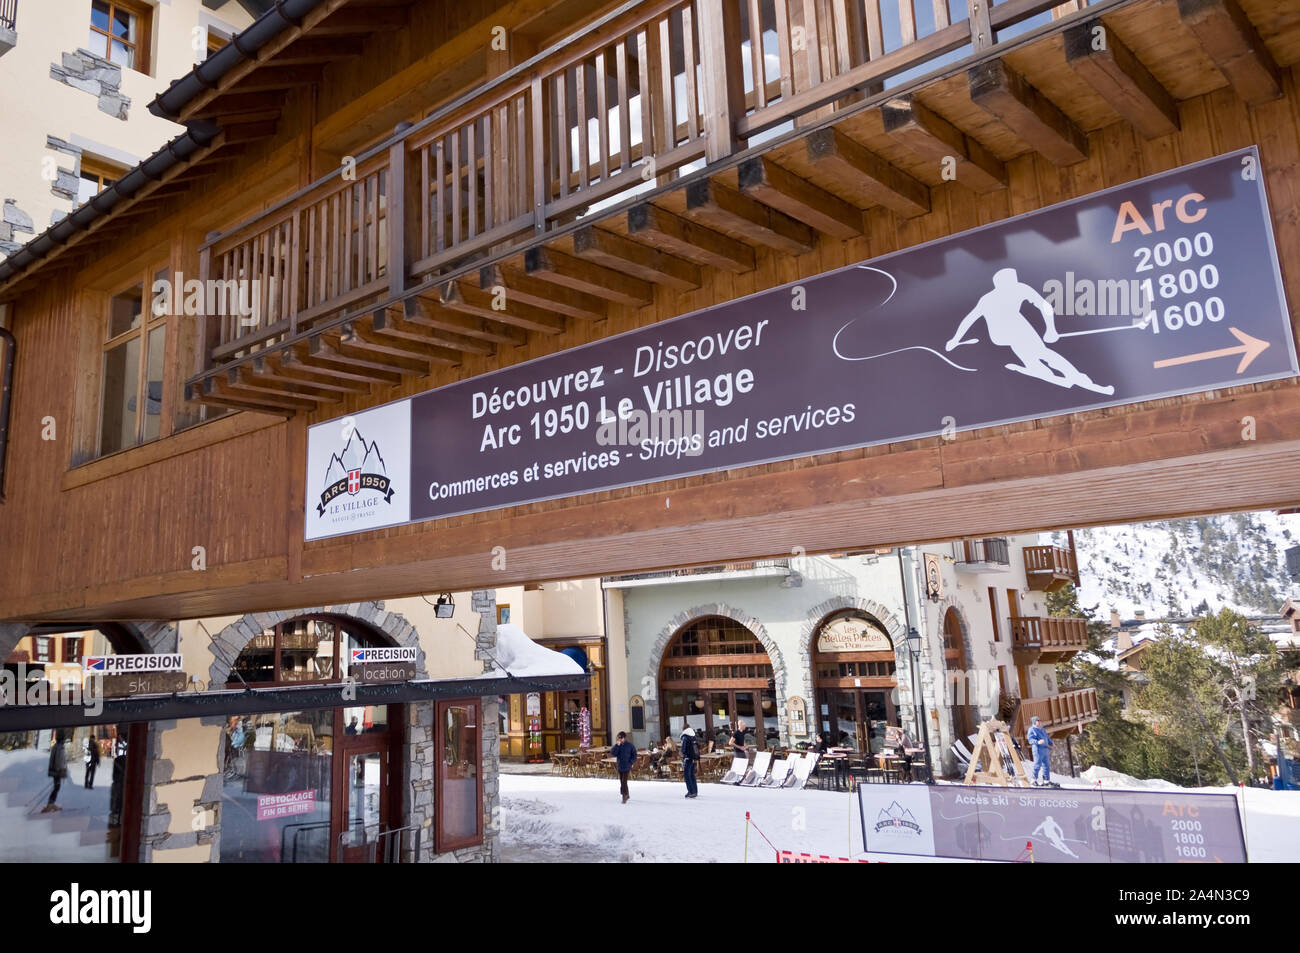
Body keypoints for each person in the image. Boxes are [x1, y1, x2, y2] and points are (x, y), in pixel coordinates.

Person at [945, 267, 1114, 395]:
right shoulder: (991, 298)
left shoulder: (1018, 289)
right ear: (1000, 284)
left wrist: (1051, 329)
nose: (1014, 285)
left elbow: (1044, 306)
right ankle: (1072, 377)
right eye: (1010, 283)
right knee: (1042, 352)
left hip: (1009, 332)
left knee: (1033, 351)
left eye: (1014, 281)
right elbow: (970, 319)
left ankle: (1041, 369)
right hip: (1006, 331)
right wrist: (955, 339)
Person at [42, 730, 68, 813]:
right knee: (57, 787)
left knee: (56, 787)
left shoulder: (56, 746)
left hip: (55, 770)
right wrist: (60, 770)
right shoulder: (60, 747)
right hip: (57, 771)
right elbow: (59, 760)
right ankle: (50, 804)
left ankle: (51, 804)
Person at [611, 731, 637, 803]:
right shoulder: (618, 746)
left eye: (621, 738)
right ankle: (627, 794)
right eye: (619, 738)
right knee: (622, 781)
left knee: (624, 781)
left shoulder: (630, 745)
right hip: (620, 765)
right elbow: (613, 753)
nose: (620, 739)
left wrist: (631, 762)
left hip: (627, 765)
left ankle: (624, 796)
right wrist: (616, 746)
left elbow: (634, 755)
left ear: (624, 738)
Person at [1027, 715, 1053, 785]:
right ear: (1034, 722)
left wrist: (1051, 743)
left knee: (1046, 765)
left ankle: (1046, 781)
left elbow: (1047, 738)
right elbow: (1030, 740)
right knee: (1037, 765)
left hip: (1045, 749)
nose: (1039, 722)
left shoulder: (1042, 729)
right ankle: (1033, 780)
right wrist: (1037, 742)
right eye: (1037, 721)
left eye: (1039, 720)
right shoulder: (1032, 729)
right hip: (1038, 750)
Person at [680, 727, 700, 799]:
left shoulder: (685, 737)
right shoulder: (693, 736)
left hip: (688, 758)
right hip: (694, 758)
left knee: (687, 776)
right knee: (692, 775)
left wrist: (683, 755)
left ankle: (691, 792)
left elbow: (683, 749)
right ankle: (695, 791)